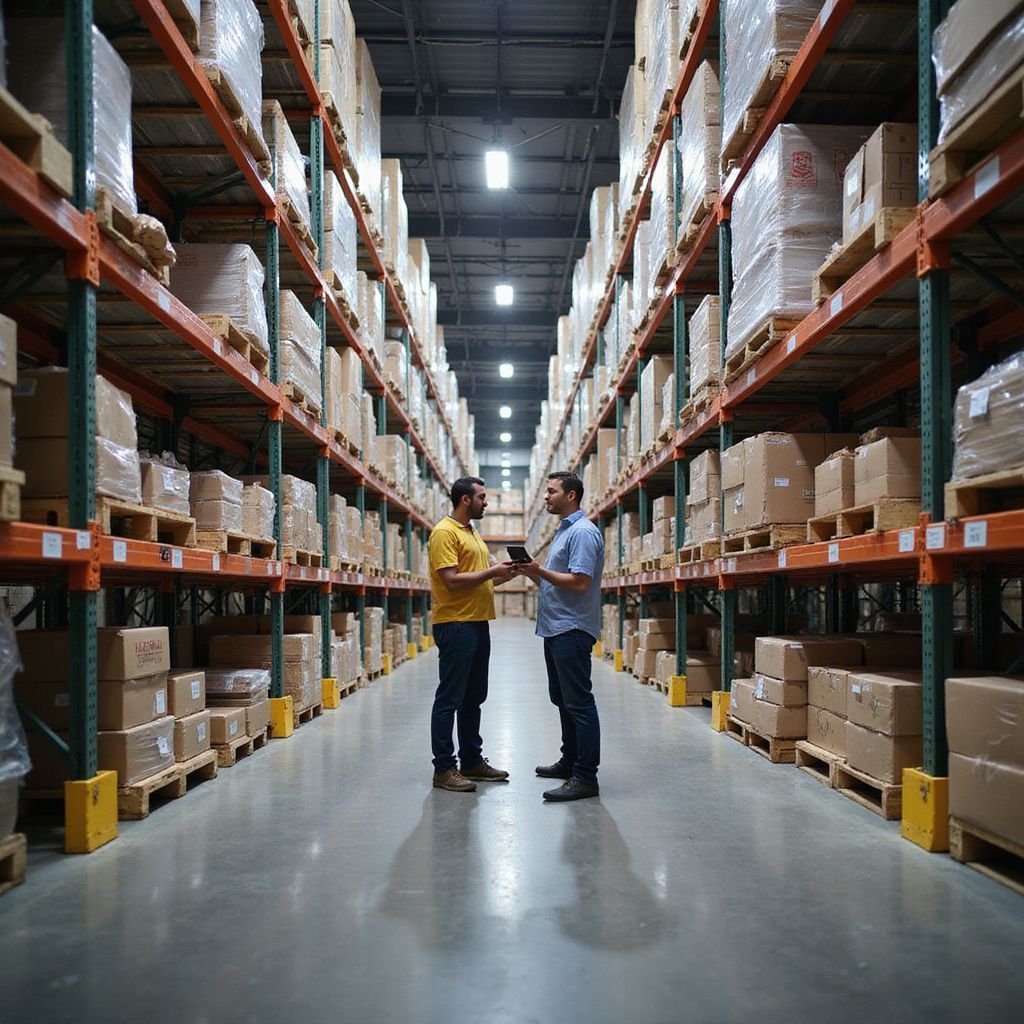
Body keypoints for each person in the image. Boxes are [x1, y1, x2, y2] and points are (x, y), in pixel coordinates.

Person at [516, 471, 604, 801]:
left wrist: (539, 570)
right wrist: (533, 573)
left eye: (551, 491)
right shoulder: (564, 532)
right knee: (564, 701)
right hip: (555, 629)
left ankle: (585, 777)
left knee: (579, 704)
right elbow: (557, 582)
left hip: (572, 630)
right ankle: (570, 761)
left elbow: (580, 583)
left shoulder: (581, 533)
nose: (546, 497)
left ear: (571, 495)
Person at [428, 476, 517, 793]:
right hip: (455, 624)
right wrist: (492, 572)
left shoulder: (471, 533)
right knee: (449, 698)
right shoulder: (444, 533)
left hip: (478, 622)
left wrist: (505, 573)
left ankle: (471, 760)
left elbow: (483, 581)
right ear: (465, 500)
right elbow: (451, 580)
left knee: (474, 697)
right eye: (482, 497)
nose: (486, 502)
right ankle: (444, 768)